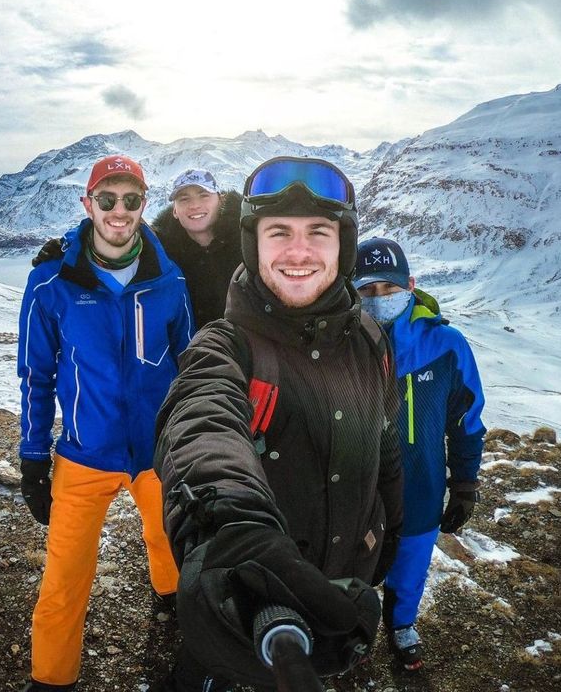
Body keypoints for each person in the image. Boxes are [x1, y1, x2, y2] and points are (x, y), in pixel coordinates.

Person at [153, 156, 404, 691]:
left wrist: (387, 539)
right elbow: (201, 425)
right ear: (253, 244)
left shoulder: (369, 341)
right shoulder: (225, 347)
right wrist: (233, 525)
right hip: (249, 589)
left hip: (343, 582)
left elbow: (386, 448)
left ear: (344, 244)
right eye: (279, 233)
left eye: (319, 231)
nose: (298, 251)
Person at [17, 155, 194, 691]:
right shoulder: (51, 285)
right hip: (82, 455)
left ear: (144, 205)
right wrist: (32, 458)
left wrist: (195, 443)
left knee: (171, 543)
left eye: (131, 200)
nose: (119, 211)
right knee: (65, 579)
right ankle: (51, 679)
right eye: (108, 199)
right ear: (87, 204)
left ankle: (173, 604)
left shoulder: (170, 282)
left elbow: (190, 369)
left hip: (157, 453)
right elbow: (36, 376)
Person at [353, 236, 485, 671]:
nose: (379, 299)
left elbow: (466, 421)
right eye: (367, 290)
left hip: (421, 485)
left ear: (409, 285)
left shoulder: (446, 345)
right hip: (357, 489)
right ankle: (346, 629)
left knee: (411, 564)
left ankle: (401, 624)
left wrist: (464, 483)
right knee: (351, 563)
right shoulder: (342, 344)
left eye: (388, 289)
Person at [151, 168, 243, 328]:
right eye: (184, 199)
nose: (194, 205)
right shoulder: (161, 255)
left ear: (221, 200)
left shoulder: (248, 242)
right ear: (174, 211)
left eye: (204, 195)